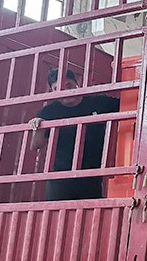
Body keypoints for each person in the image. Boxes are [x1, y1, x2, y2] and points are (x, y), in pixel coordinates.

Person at [28, 68, 120, 200]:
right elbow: (36, 145)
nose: (65, 91)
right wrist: (38, 126)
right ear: (53, 91)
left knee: (91, 212)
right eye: (58, 88)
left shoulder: (97, 102)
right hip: (60, 177)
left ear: (77, 83)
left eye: (69, 85)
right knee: (58, 213)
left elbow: (130, 104)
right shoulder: (49, 111)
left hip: (92, 175)